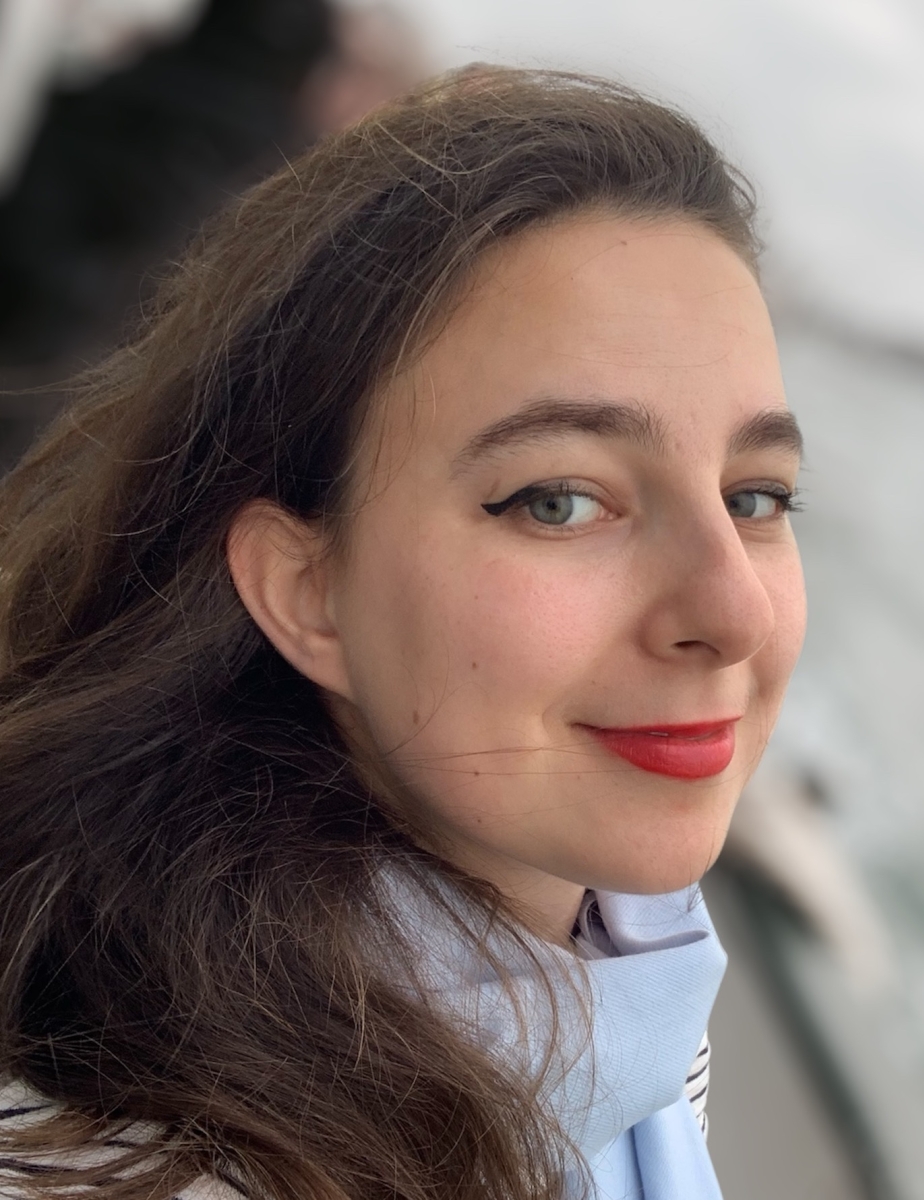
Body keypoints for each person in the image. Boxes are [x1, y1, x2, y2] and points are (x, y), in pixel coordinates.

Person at [0, 66, 807, 1200]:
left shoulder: (627, 978)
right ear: (306, 590)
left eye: (755, 497)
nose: (733, 614)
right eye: (559, 501)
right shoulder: (140, 1165)